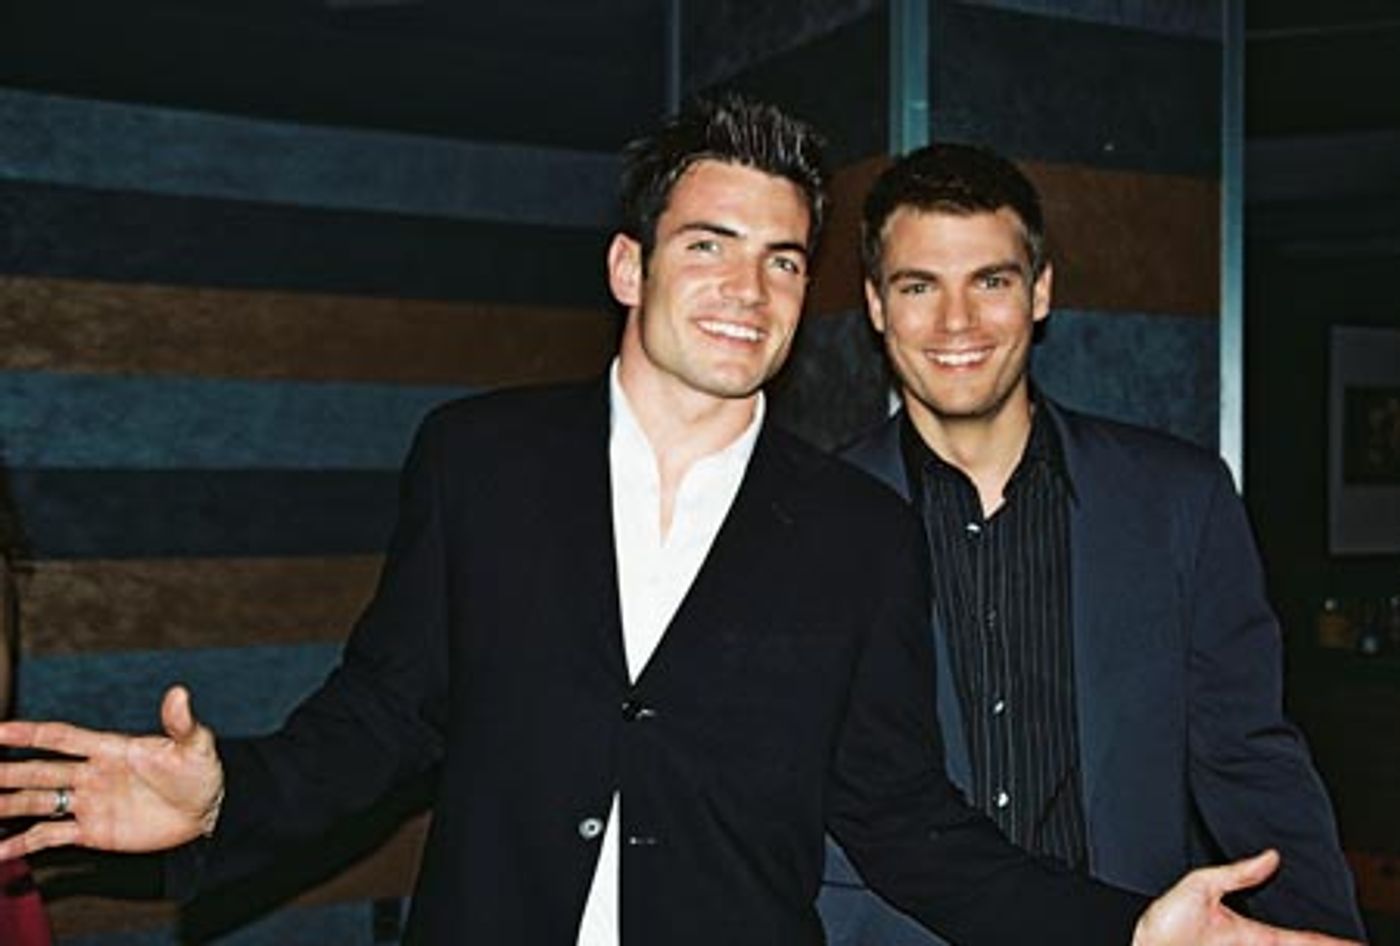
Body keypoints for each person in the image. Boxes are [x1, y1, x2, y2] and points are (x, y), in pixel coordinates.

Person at [0, 98, 1361, 946]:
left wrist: (1130, 931)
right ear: (628, 264)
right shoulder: (479, 459)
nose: (746, 289)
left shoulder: (856, 531)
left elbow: (906, 825)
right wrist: (227, 791)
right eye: (708, 244)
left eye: (782, 259)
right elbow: (382, 717)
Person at [819, 142, 1365, 945]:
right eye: (918, 286)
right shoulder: (811, 518)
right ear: (876, 304)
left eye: (991, 281)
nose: (956, 322)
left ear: (1040, 291)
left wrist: (1323, 931)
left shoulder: (1179, 500)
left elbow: (1250, 759)